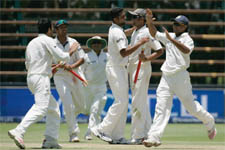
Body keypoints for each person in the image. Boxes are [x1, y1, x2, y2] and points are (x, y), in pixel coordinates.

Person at [140, 9, 217, 147]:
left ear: (185, 26)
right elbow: (154, 33)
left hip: (181, 76)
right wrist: (149, 22)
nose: (175, 26)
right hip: (166, 77)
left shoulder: (187, 39)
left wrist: (170, 40)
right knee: (161, 107)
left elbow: (186, 50)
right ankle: (154, 137)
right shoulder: (171, 35)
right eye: (174, 24)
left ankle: (209, 121)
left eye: (178, 24)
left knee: (191, 108)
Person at [8, 18, 79, 149]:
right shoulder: (48, 40)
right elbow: (62, 56)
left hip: (32, 78)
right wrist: (72, 50)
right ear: (49, 29)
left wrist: (52, 67)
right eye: (52, 29)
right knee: (41, 108)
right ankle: (19, 131)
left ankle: (50, 140)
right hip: (41, 78)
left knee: (53, 110)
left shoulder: (32, 43)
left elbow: (29, 64)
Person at [91, 7, 149, 144]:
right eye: (123, 17)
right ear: (115, 19)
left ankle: (117, 136)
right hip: (116, 68)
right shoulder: (116, 32)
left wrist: (135, 29)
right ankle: (102, 129)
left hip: (120, 68)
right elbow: (124, 52)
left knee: (123, 102)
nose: (126, 18)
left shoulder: (117, 30)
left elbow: (124, 33)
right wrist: (140, 42)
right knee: (121, 101)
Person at [127, 9, 164, 145]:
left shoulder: (147, 32)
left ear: (142, 19)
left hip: (141, 69)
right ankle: (148, 134)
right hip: (133, 69)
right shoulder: (136, 31)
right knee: (140, 102)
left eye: (135, 17)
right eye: (132, 17)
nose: (133, 20)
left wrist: (147, 58)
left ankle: (138, 136)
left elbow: (159, 50)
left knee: (137, 102)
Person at [52, 19, 86, 142]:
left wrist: (71, 66)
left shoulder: (73, 42)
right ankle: (73, 133)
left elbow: (82, 59)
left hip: (74, 75)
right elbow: (50, 63)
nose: (64, 29)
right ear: (56, 30)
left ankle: (69, 114)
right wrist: (58, 65)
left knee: (81, 106)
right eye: (61, 27)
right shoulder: (52, 44)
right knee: (68, 104)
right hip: (60, 76)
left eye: (65, 27)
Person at [81, 36, 108, 140]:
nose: (96, 44)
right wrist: (83, 79)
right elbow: (80, 70)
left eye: (98, 43)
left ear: (102, 45)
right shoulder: (86, 56)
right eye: (94, 43)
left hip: (101, 86)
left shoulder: (107, 56)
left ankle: (89, 132)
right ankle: (98, 129)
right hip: (88, 87)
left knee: (95, 109)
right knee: (89, 110)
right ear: (91, 45)